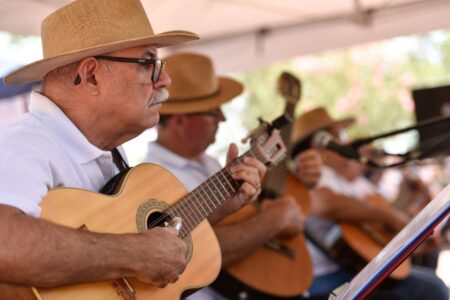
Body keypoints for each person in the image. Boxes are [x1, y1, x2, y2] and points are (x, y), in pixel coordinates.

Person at [0, 0, 266, 292]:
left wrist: (214, 207)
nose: (165, 79)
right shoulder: (22, 144)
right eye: (148, 62)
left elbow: (133, 236)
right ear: (91, 76)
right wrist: (135, 253)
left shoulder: (107, 151)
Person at [143, 52, 322, 299]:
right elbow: (190, 250)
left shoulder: (212, 163)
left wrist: (298, 178)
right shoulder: (152, 179)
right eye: (214, 112)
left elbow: (250, 211)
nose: (223, 118)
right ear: (180, 121)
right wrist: (272, 221)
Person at [289, 107, 449, 300]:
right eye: (339, 135)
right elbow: (325, 204)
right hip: (332, 276)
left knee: (429, 278)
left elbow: (378, 213)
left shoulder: (341, 177)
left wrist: (408, 210)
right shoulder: (313, 174)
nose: (346, 141)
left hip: (356, 267)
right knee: (431, 288)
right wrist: (391, 217)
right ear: (320, 143)